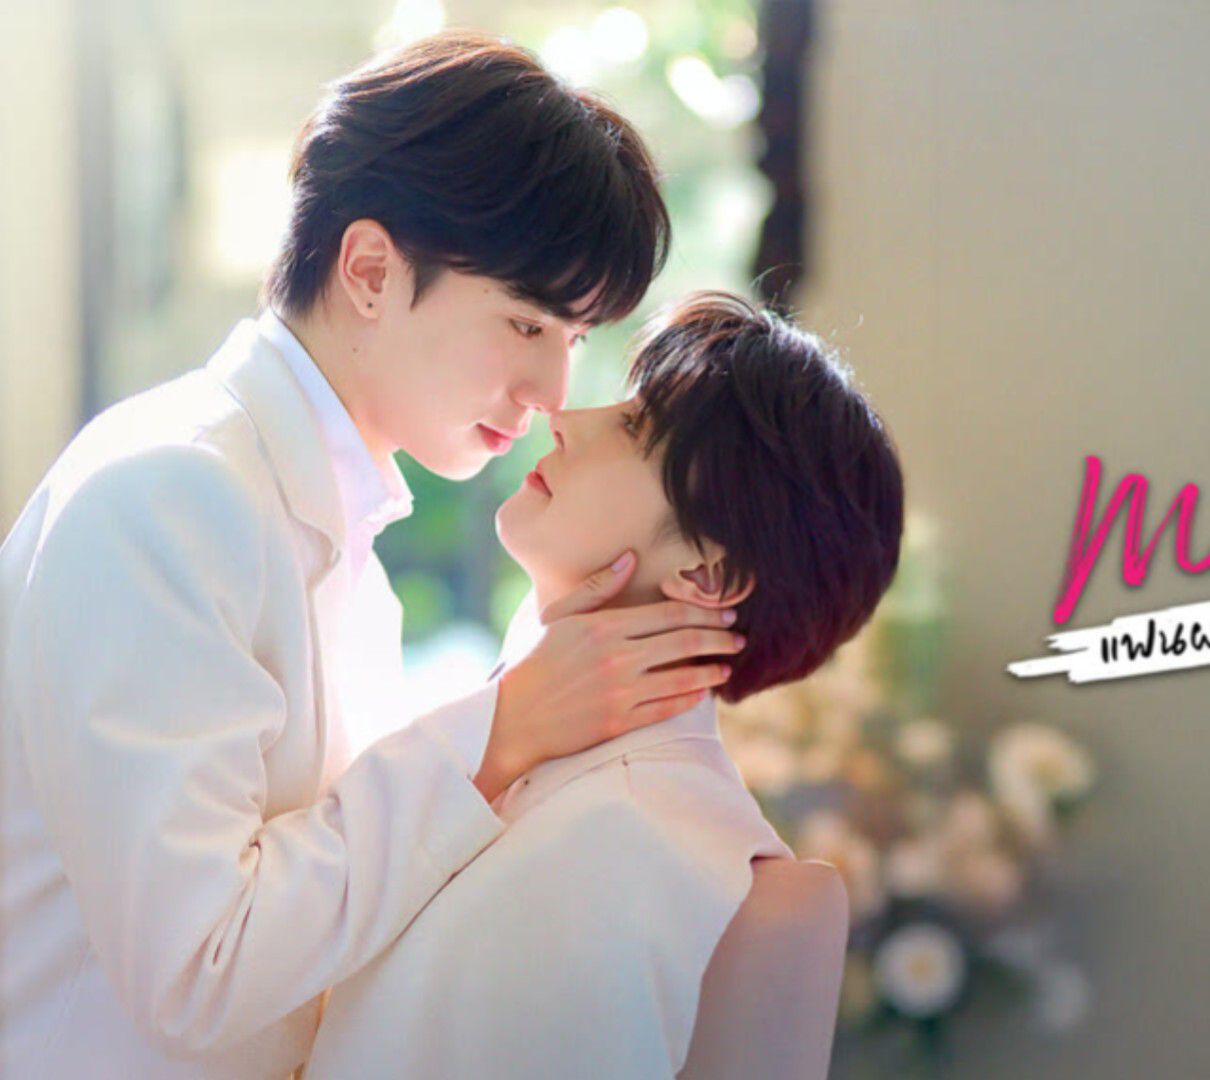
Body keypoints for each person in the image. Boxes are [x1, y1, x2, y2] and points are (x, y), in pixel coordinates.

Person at [0, 32, 740, 1079]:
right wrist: (502, 729)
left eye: (573, 340)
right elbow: (198, 970)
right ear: (370, 271)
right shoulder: (169, 495)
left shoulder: (326, 527)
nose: (552, 396)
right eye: (526, 324)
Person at [302, 291, 904, 1079]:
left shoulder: (630, 839)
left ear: (707, 574)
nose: (565, 417)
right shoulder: (520, 758)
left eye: (634, 428)